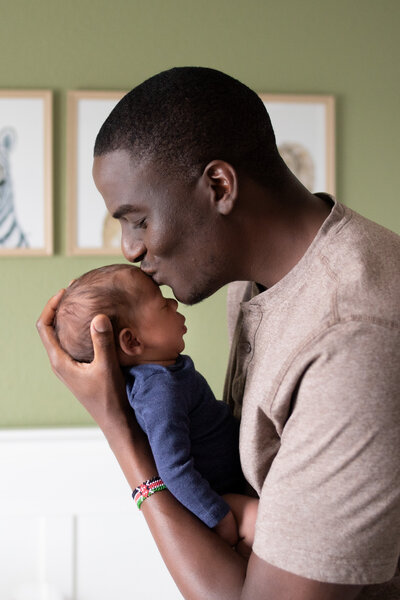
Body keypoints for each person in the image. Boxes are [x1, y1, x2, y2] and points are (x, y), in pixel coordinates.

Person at [37, 67, 400, 600]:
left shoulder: (354, 337)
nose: (129, 249)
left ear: (219, 186)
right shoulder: (256, 280)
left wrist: (119, 431)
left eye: (137, 219)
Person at [54, 262, 256, 551]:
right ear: (132, 341)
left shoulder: (165, 375)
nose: (174, 303)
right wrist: (218, 516)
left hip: (232, 481)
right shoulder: (159, 393)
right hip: (219, 495)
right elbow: (174, 469)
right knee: (264, 523)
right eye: (163, 305)